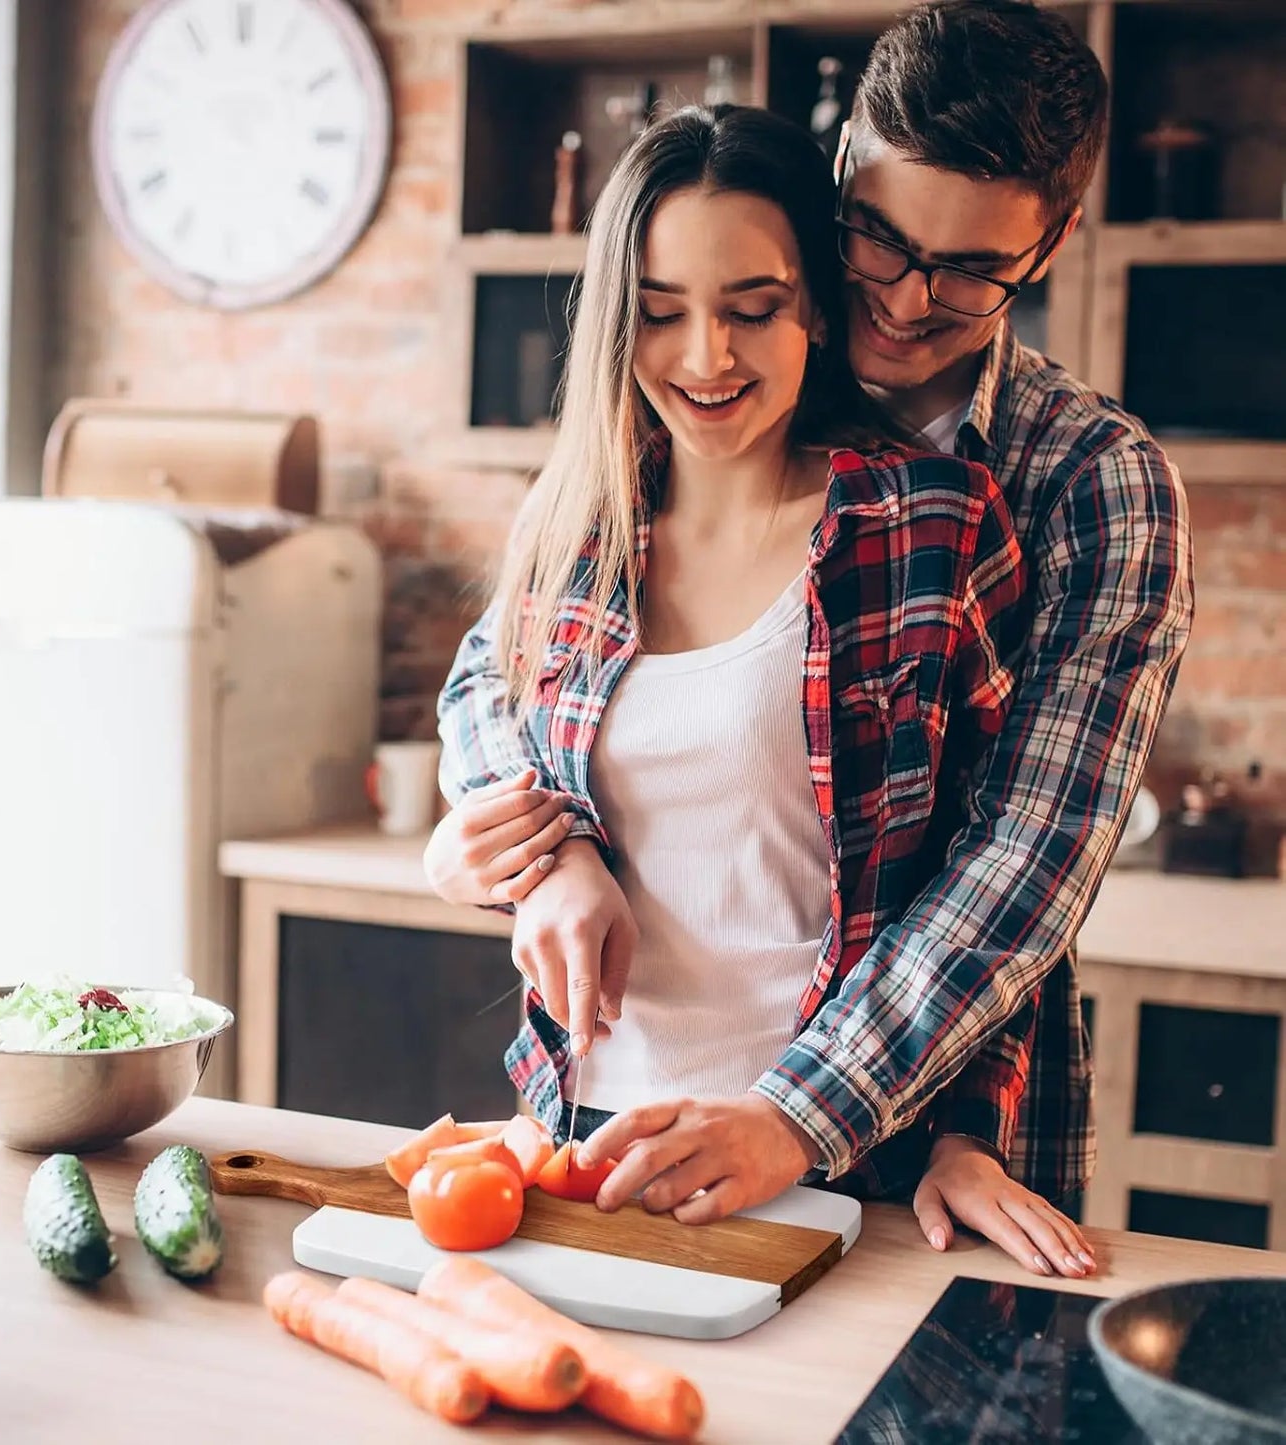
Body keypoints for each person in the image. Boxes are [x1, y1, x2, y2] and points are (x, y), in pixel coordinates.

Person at [427, 95, 1102, 1282]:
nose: (705, 358)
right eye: (658, 314)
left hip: (833, 1165)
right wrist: (541, 855)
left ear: (818, 316)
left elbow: (996, 868)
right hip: (578, 1138)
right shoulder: (575, 524)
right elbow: (479, 695)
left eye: (753, 309)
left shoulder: (927, 525)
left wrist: (908, 1122)